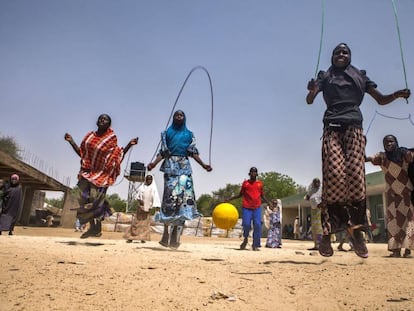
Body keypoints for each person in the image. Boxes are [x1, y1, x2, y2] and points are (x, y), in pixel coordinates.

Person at [306, 42, 411, 258]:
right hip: (332, 129)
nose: (341, 54)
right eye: (337, 52)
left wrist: (397, 95)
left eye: (345, 52)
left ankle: (357, 233)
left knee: (356, 180)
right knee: (334, 178)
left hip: (354, 129)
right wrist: (311, 90)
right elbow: (310, 100)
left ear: (350, 56)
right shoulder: (325, 76)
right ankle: (327, 234)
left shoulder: (360, 76)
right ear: (332, 56)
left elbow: (381, 100)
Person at [65, 114, 138, 239]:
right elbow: (82, 154)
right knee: (80, 196)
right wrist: (71, 141)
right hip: (87, 172)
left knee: (95, 199)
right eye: (100, 118)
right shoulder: (90, 137)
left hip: (102, 176)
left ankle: (96, 228)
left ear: (109, 124)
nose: (102, 120)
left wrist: (129, 145)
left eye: (105, 119)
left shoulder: (111, 138)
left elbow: (117, 156)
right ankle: (93, 227)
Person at [147, 110, 212, 249]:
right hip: (170, 168)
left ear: (184, 118)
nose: (179, 117)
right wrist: (153, 163)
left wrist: (204, 165)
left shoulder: (189, 135)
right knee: (169, 201)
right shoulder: (167, 134)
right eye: (176, 115)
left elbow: (193, 153)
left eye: (181, 115)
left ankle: (176, 235)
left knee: (184, 202)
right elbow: (163, 153)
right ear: (173, 117)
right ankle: (165, 233)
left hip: (184, 169)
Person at [366, 135, 414, 258]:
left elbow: (410, 157)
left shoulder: (403, 153)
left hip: (406, 192)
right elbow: (371, 158)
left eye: (391, 141)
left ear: (395, 142)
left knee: (408, 221)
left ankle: (407, 248)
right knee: (393, 221)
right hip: (391, 193)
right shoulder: (382, 157)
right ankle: (396, 249)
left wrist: (409, 153)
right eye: (386, 142)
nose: (388, 144)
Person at [227, 167, 272, 251]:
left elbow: (262, 195)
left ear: (257, 174)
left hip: (257, 208)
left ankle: (255, 244)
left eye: (255, 172)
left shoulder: (260, 184)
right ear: (249, 173)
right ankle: (245, 238)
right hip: (246, 207)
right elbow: (240, 194)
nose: (253, 173)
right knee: (246, 224)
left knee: (258, 225)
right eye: (252, 172)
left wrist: (268, 202)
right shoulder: (245, 183)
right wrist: (230, 198)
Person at [124, 174, 161, 243]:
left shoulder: (153, 189)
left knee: (145, 224)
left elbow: (156, 199)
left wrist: (156, 208)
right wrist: (140, 201)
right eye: (147, 179)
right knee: (136, 223)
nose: (149, 181)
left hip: (147, 208)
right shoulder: (142, 187)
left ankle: (143, 238)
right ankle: (131, 237)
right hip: (140, 207)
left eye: (150, 179)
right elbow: (137, 196)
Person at [305, 178, 323, 250]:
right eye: (315, 182)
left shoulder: (322, 190)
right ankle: (316, 245)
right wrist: (307, 197)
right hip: (313, 210)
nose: (317, 184)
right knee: (314, 228)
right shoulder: (311, 190)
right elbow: (307, 197)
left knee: (319, 228)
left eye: (318, 182)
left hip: (320, 210)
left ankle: (320, 245)